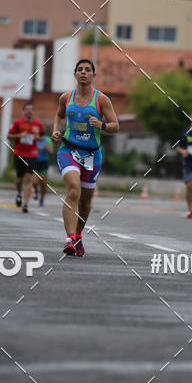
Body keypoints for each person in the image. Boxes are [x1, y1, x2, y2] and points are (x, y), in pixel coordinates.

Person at [52, 58, 119, 256]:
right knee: (74, 190)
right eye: (80, 69)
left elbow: (115, 125)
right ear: (75, 74)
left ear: (93, 75)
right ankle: (70, 239)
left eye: (87, 70)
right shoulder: (66, 97)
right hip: (68, 150)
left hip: (92, 155)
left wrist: (102, 125)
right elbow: (59, 115)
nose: (83, 72)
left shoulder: (101, 99)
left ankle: (78, 236)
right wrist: (56, 130)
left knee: (85, 202)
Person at [8, 102, 44, 213]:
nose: (29, 111)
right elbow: (9, 136)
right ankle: (19, 194)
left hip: (32, 154)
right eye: (27, 109)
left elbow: (42, 137)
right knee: (19, 180)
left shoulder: (38, 124)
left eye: (31, 109)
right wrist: (19, 135)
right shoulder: (17, 123)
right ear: (23, 111)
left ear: (33, 112)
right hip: (19, 154)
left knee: (28, 178)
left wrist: (38, 138)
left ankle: (26, 204)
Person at [32, 134, 54, 206]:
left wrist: (47, 147)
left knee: (43, 183)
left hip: (44, 163)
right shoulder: (34, 139)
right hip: (35, 162)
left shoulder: (47, 140)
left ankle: (41, 199)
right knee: (34, 182)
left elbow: (51, 152)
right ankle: (35, 191)